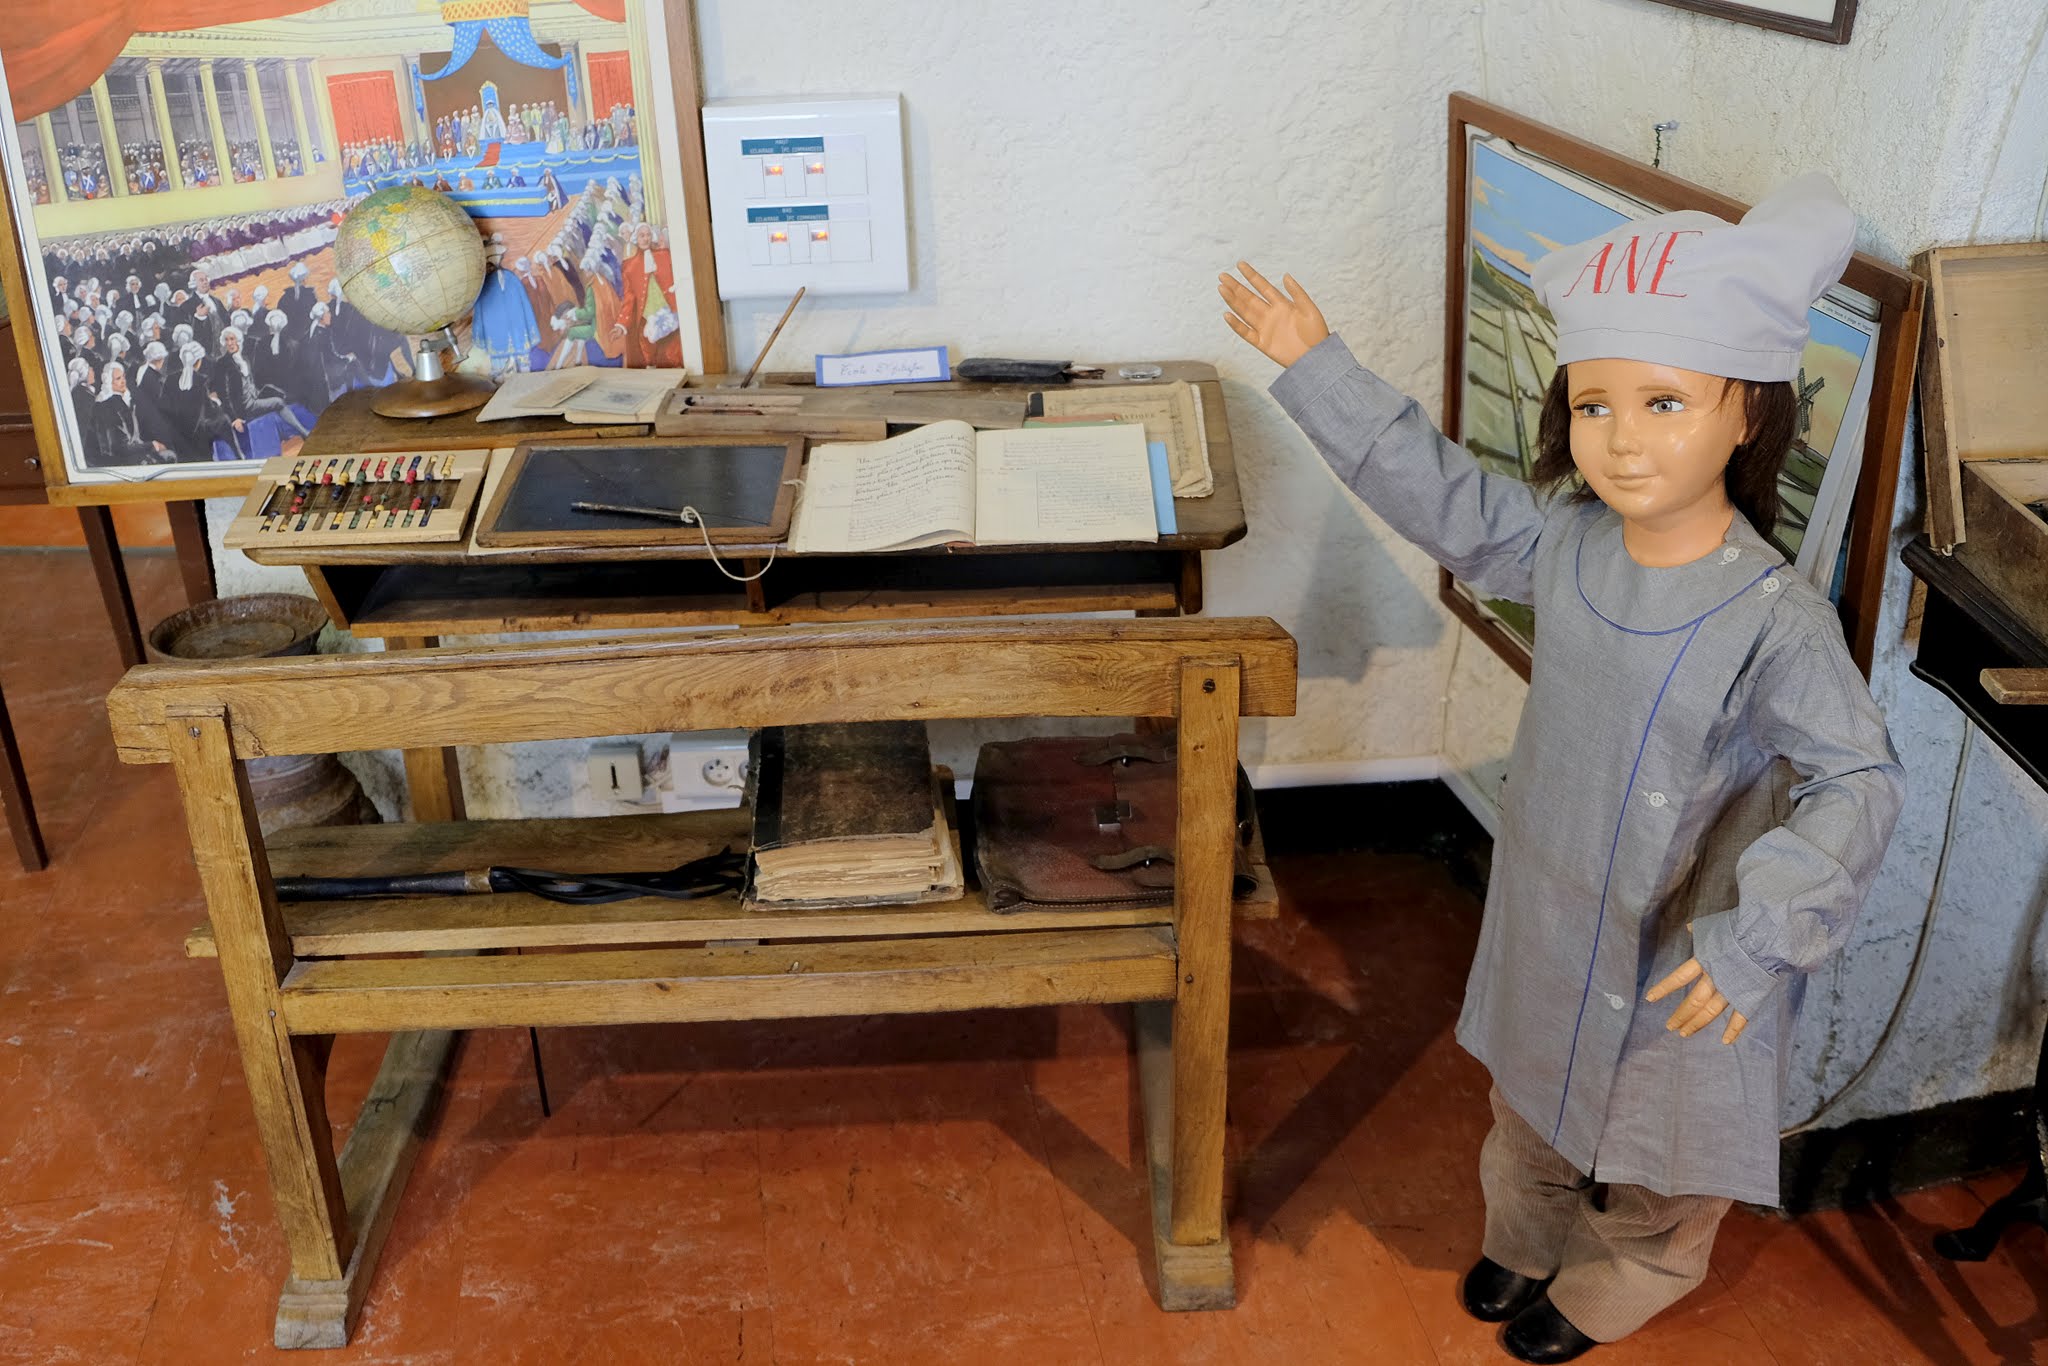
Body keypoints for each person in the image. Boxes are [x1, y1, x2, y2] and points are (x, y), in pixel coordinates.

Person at [1220, 174, 1904, 1364]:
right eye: (1593, 404)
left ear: (1747, 416)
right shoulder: (1567, 542)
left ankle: (1616, 1278)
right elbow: (1442, 498)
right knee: (1528, 1099)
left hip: (1684, 941)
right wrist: (1318, 368)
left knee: (1660, 1150)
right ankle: (1525, 1233)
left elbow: (1860, 778)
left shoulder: (1773, 620)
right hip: (1551, 908)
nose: (1621, 438)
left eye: (1662, 401)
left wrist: (1759, 936)